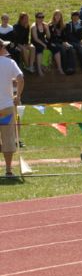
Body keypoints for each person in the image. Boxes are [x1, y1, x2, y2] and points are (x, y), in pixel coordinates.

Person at [0, 38, 24, 177]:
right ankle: (8, 170)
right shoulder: (10, 63)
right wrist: (18, 96)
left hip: (6, 106)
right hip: (6, 107)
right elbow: (20, 78)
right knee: (8, 138)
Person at [48, 10, 72, 75]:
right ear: (54, 16)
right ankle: (64, 68)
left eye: (59, 15)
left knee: (70, 48)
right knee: (62, 49)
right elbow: (51, 37)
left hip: (60, 42)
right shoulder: (50, 25)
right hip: (53, 43)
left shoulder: (62, 25)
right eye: (56, 15)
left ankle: (70, 67)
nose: (58, 17)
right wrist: (62, 42)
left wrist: (65, 42)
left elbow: (64, 37)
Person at [30, 12, 51, 76]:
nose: (41, 19)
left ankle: (45, 65)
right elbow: (35, 38)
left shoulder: (44, 25)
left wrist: (47, 29)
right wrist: (43, 44)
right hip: (36, 42)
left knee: (52, 47)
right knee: (40, 49)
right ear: (36, 18)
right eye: (39, 17)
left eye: (42, 17)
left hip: (43, 41)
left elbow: (48, 37)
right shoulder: (34, 26)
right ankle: (39, 69)